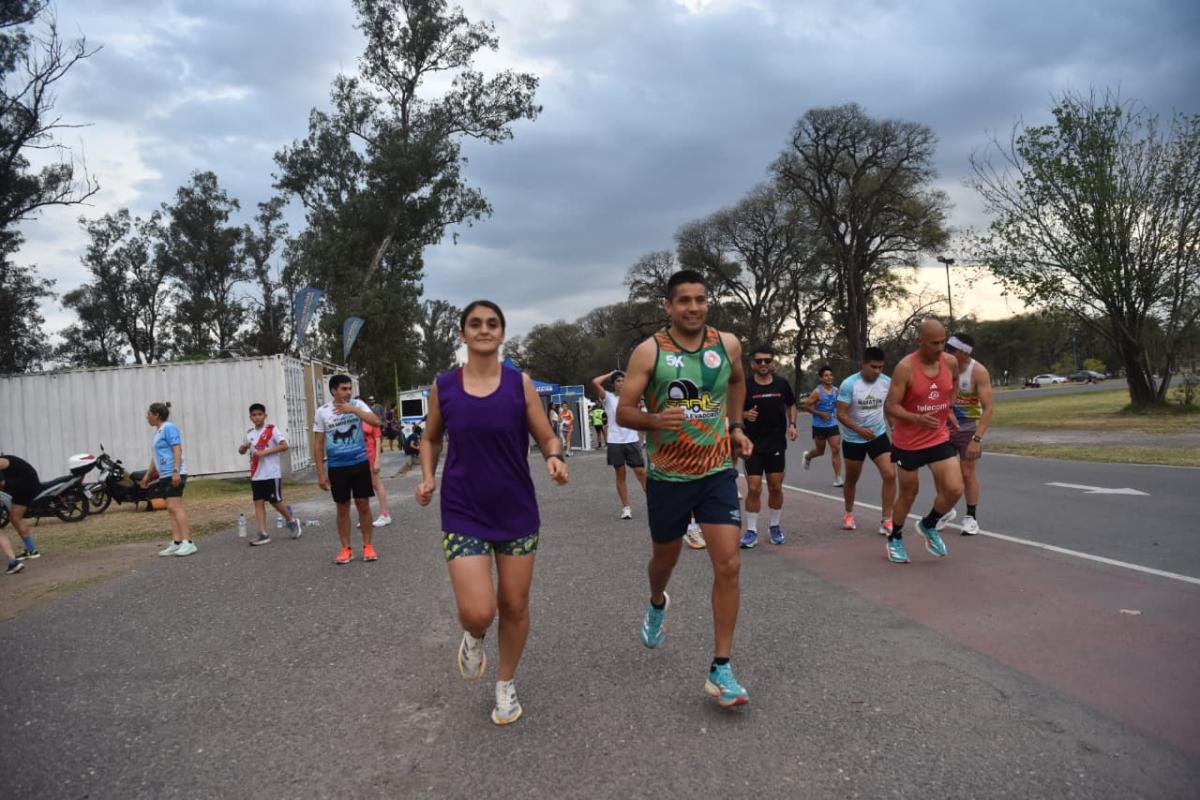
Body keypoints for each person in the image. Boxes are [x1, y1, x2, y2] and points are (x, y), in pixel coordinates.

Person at [416, 300, 568, 726]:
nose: (484, 330)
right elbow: (430, 438)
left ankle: (505, 683)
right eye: (475, 324)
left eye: (492, 324)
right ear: (463, 334)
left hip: (516, 508)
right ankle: (475, 635)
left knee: (514, 604)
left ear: (502, 333)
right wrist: (428, 476)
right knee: (480, 609)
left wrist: (554, 457)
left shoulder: (520, 384)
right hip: (463, 508)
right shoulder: (443, 386)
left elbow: (545, 435)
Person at [617, 269, 753, 709]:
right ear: (668, 307)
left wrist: (733, 427)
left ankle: (722, 668)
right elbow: (623, 411)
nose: (693, 307)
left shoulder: (727, 344)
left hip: (715, 470)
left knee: (728, 564)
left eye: (700, 299)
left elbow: (736, 381)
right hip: (668, 477)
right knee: (664, 560)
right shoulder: (649, 352)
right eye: (684, 301)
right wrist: (654, 420)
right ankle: (657, 601)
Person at [883, 319, 963, 564]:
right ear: (920, 341)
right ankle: (895, 537)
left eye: (943, 342)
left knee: (954, 488)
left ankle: (928, 525)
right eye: (934, 343)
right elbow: (891, 405)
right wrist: (917, 418)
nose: (940, 348)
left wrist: (948, 407)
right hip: (909, 442)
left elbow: (955, 384)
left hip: (938, 436)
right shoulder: (905, 368)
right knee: (909, 493)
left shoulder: (950, 362)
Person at [313, 376, 383, 565]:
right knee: (342, 507)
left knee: (363, 504)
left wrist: (354, 410)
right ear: (333, 391)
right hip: (337, 467)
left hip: (359, 462)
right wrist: (320, 473)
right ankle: (346, 549)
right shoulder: (322, 412)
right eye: (344, 389)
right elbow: (318, 444)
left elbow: (376, 422)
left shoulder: (357, 404)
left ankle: (368, 546)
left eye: (349, 388)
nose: (348, 392)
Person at [739, 344, 798, 548]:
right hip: (752, 445)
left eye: (767, 360)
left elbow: (792, 404)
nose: (763, 364)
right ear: (752, 364)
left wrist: (792, 424)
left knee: (775, 486)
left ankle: (774, 526)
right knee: (754, 489)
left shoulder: (781, 384)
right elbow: (732, 409)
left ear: (773, 363)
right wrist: (744, 415)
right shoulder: (745, 386)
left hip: (776, 444)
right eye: (759, 361)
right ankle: (751, 530)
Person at [836, 347, 897, 535]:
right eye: (873, 367)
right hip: (854, 438)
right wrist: (858, 429)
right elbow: (840, 413)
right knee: (852, 479)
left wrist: (894, 428)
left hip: (878, 435)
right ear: (863, 364)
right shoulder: (849, 384)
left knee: (890, 474)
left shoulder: (887, 382)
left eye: (881, 367)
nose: (877, 371)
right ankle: (848, 513)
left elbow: (888, 407)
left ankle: (887, 519)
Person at [945, 332, 993, 535]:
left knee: (967, 473)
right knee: (944, 474)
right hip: (944, 428)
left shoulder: (978, 371)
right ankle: (944, 511)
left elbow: (988, 408)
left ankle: (970, 517)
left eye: (950, 351)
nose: (945, 353)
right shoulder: (942, 367)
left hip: (968, 428)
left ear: (964, 353)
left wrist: (977, 438)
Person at [238, 403, 300, 546]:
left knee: (275, 501)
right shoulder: (249, 434)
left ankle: (291, 520)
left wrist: (264, 452)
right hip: (256, 474)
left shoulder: (272, 430)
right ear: (250, 417)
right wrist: (243, 447)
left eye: (260, 414)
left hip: (271, 473)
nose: (257, 417)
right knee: (258, 502)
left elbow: (284, 446)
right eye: (254, 415)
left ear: (265, 416)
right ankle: (263, 533)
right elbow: (242, 451)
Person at [140, 402, 195, 557]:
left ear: (156, 415)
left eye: (149, 413)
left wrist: (176, 471)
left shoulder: (169, 427)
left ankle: (188, 542)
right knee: (170, 508)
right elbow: (156, 457)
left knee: (176, 506)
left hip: (174, 473)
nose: (147, 417)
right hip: (164, 474)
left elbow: (177, 449)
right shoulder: (158, 432)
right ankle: (177, 541)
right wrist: (147, 475)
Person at [591, 370, 647, 520]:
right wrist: (611, 373)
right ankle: (626, 508)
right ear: (613, 384)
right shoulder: (608, 398)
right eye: (618, 381)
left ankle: (656, 505)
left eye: (623, 380)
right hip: (615, 441)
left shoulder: (632, 396)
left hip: (632, 439)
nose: (621, 383)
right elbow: (595, 382)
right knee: (620, 473)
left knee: (641, 472)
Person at [802, 366, 843, 486]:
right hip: (819, 426)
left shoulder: (836, 390)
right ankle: (808, 456)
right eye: (826, 375)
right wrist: (820, 413)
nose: (829, 377)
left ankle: (838, 478)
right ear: (821, 378)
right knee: (820, 451)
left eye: (830, 375)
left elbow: (837, 405)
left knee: (836, 449)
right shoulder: (817, 392)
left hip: (832, 424)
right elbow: (807, 406)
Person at [0, 454, 41, 573]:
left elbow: (1, 483)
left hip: (25, 486)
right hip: (25, 484)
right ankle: (31, 549)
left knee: (15, 517)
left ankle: (31, 550)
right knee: (14, 518)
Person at [361, 413, 392, 528]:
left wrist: (377, 460)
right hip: (358, 458)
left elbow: (378, 440)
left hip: (370, 456)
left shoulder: (371, 418)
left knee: (376, 484)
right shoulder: (353, 418)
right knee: (362, 487)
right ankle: (365, 516)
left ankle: (385, 514)